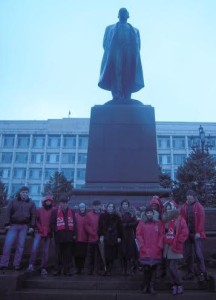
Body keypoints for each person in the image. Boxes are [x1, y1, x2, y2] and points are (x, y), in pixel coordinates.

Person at [98, 8, 144, 101]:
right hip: (116, 52)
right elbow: (105, 44)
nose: (123, 13)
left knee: (128, 73)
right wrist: (113, 52)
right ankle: (117, 94)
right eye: (121, 12)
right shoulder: (109, 28)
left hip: (129, 52)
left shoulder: (135, 30)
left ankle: (127, 94)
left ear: (128, 15)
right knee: (116, 72)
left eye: (125, 12)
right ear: (118, 15)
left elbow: (138, 46)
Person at [0, 186, 36, 271]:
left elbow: (33, 215)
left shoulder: (31, 203)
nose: (25, 194)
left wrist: (32, 226)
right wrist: (7, 224)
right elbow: (8, 212)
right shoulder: (13, 201)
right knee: (8, 245)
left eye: (26, 192)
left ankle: (16, 264)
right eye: (23, 192)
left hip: (24, 226)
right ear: (20, 193)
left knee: (21, 246)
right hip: (13, 225)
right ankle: (3, 264)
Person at [162, 202, 189, 295]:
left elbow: (185, 232)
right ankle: (174, 285)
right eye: (167, 208)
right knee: (169, 268)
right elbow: (162, 232)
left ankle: (179, 284)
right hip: (167, 246)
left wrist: (179, 241)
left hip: (175, 246)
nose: (168, 209)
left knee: (173, 267)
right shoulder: (165, 219)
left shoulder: (180, 219)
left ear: (174, 208)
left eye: (170, 208)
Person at [136, 206, 164, 294]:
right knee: (146, 269)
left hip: (155, 250)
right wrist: (142, 245)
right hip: (145, 250)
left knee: (153, 269)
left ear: (153, 213)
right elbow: (138, 234)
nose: (149, 214)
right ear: (145, 214)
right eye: (147, 213)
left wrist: (159, 245)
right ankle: (146, 285)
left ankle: (151, 286)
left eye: (151, 213)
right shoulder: (141, 223)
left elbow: (161, 234)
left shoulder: (158, 223)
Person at [180, 189, 207, 282]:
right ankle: (190, 273)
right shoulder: (184, 207)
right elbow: (182, 221)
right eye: (188, 198)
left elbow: (201, 220)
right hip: (187, 234)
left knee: (198, 254)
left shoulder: (199, 206)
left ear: (194, 197)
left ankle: (202, 273)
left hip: (196, 234)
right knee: (188, 255)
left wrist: (199, 232)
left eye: (191, 198)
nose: (189, 200)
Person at [27, 195, 54, 277]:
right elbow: (36, 220)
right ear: (45, 201)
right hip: (39, 231)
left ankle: (43, 267)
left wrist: (50, 229)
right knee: (34, 248)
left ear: (51, 202)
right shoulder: (39, 210)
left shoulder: (53, 210)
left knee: (46, 251)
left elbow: (53, 222)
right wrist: (39, 228)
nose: (48, 202)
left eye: (50, 201)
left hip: (48, 233)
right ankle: (31, 264)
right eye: (47, 200)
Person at [50, 195, 76, 276]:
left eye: (66, 203)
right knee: (58, 254)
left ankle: (67, 270)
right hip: (59, 236)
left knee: (68, 255)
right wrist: (56, 231)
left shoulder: (71, 211)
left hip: (69, 237)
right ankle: (57, 270)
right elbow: (52, 223)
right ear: (60, 203)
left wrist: (74, 234)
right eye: (63, 203)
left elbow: (75, 223)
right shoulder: (55, 211)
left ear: (68, 204)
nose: (64, 204)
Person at [98, 202, 123, 276]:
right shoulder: (102, 216)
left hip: (114, 238)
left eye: (112, 207)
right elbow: (100, 227)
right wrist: (101, 235)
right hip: (105, 238)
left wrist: (119, 237)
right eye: (109, 206)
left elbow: (120, 228)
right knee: (105, 254)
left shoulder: (117, 217)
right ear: (107, 207)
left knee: (112, 255)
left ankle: (110, 269)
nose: (110, 208)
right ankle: (105, 269)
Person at [118, 199, 138, 275]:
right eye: (123, 204)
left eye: (126, 204)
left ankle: (130, 269)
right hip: (122, 234)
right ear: (122, 205)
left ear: (128, 205)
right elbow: (117, 223)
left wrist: (127, 225)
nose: (125, 206)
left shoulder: (132, 213)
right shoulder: (119, 213)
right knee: (122, 252)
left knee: (130, 252)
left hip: (130, 234)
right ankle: (123, 269)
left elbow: (135, 222)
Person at [85, 200, 103, 275]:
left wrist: (100, 234)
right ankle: (90, 270)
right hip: (91, 238)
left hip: (100, 239)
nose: (96, 207)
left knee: (98, 256)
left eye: (98, 205)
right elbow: (86, 226)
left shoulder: (102, 215)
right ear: (93, 206)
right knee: (90, 255)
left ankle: (98, 270)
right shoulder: (88, 215)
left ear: (100, 206)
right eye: (95, 205)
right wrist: (93, 233)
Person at [74, 202, 88, 275]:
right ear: (79, 208)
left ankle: (81, 268)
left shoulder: (87, 216)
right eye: (81, 207)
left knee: (83, 254)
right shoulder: (75, 215)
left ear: (85, 208)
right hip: (77, 238)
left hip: (84, 238)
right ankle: (77, 268)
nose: (82, 208)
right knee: (77, 254)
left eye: (83, 207)